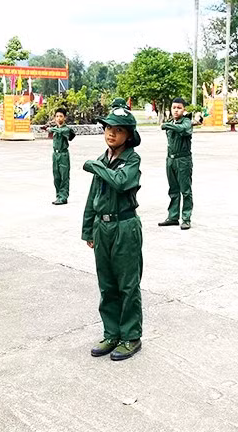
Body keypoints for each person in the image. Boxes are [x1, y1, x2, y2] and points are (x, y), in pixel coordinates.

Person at [82, 98, 143, 361]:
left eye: (117, 130)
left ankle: (131, 336)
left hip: (124, 226)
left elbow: (120, 182)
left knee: (127, 284)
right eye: (108, 128)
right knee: (106, 284)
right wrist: (87, 229)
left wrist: (96, 166)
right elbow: (93, 195)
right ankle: (111, 333)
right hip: (102, 227)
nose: (110, 133)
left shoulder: (132, 160)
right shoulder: (102, 159)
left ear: (128, 135)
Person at [158, 97, 194, 230]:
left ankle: (186, 218)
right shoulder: (171, 122)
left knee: (185, 190)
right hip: (171, 159)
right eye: (174, 108)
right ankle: (173, 216)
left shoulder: (186, 122)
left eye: (179, 108)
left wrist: (167, 125)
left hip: (183, 160)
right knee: (173, 190)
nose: (176, 110)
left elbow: (183, 129)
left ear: (184, 110)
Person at [48, 107, 76, 205]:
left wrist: (51, 128)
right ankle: (58, 195)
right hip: (55, 154)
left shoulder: (65, 129)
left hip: (63, 154)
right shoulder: (55, 129)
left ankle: (63, 197)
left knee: (64, 176)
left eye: (61, 116)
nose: (58, 118)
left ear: (65, 118)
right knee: (56, 176)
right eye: (57, 116)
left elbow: (68, 133)